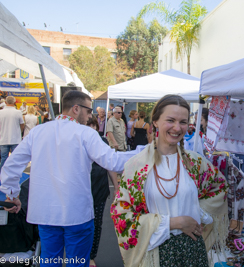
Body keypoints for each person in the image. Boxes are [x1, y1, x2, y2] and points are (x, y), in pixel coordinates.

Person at [0, 90, 140, 267]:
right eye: (89, 111)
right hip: (76, 213)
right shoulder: (85, 133)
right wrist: (145, 153)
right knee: (77, 262)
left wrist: (12, 193)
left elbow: (11, 165)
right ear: (76, 108)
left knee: (50, 260)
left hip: (45, 212)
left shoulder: (38, 132)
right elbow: (113, 161)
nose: (90, 115)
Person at [111, 94, 228, 267]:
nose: (177, 128)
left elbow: (219, 187)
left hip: (192, 250)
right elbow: (122, 217)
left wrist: (197, 216)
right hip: (155, 252)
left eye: (182, 122)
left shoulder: (195, 163)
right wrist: (175, 223)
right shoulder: (135, 167)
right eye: (171, 120)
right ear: (156, 121)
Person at [86, 117, 119, 267]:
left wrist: (116, 187)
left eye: (93, 126)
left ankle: (92, 256)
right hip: (81, 190)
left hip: (99, 188)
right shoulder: (78, 141)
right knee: (79, 225)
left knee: (97, 224)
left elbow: (110, 165)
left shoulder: (103, 141)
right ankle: (80, 256)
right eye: (88, 126)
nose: (91, 129)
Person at [0, 96, 25, 170]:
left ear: (5, 102)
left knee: (4, 159)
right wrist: (19, 132)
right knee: (15, 159)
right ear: (15, 103)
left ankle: (2, 175)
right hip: (15, 138)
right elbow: (22, 124)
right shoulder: (18, 112)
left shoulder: (0, 112)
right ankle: (14, 174)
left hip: (3, 139)